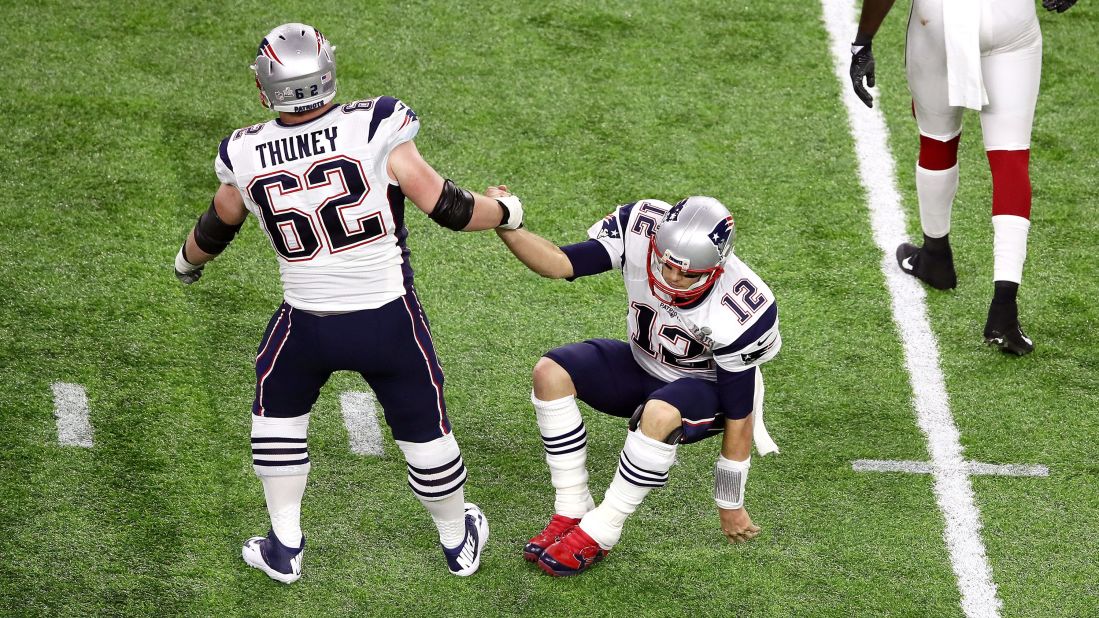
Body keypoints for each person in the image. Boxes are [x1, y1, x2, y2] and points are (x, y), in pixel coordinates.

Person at [172, 23, 524, 583]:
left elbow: (218, 223)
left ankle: (285, 544)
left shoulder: (242, 150)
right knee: (422, 423)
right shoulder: (376, 122)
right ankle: (457, 540)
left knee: (277, 413)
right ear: (327, 72)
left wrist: (187, 263)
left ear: (267, 88)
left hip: (306, 323)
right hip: (387, 317)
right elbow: (450, 208)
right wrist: (508, 212)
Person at [493, 193, 781, 576]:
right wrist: (507, 225)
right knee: (550, 372)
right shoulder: (642, 226)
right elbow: (560, 263)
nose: (673, 278)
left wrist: (729, 501)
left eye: (688, 273)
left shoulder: (742, 308)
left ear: (717, 266)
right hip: (644, 363)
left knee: (659, 413)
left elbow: (740, 414)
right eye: (666, 265)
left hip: (702, 389)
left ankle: (602, 528)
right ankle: (572, 507)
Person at [849, 0, 1077, 355]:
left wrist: (863, 39)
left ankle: (936, 258)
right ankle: (1004, 306)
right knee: (1011, 158)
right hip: (1010, 18)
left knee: (937, 139)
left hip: (938, 19)